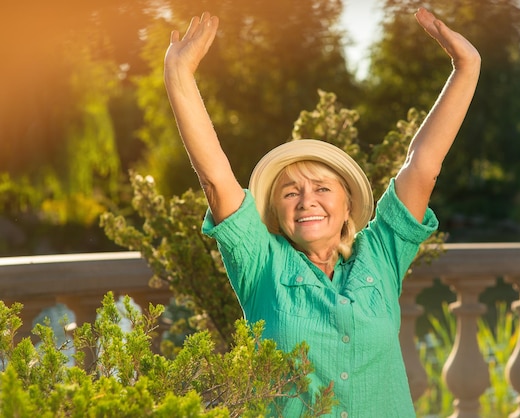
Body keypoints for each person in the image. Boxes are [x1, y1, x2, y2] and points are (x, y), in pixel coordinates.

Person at [164, 7, 480, 417]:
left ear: (348, 202)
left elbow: (423, 165)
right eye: (291, 192)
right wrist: (179, 75)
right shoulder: (261, 264)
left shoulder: (382, 255)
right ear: (275, 212)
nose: (306, 200)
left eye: (322, 188)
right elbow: (214, 177)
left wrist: (466, 67)